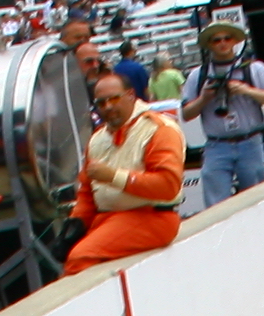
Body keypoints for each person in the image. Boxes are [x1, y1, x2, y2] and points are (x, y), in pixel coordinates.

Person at [65, 72, 183, 275]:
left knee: (79, 259)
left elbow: (168, 185)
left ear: (130, 95)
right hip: (110, 219)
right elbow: (87, 191)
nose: (108, 107)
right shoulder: (97, 138)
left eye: (114, 99)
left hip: (152, 217)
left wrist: (113, 176)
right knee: (70, 255)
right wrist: (76, 223)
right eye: (101, 103)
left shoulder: (158, 129)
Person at [187, 16, 264, 209]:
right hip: (217, 145)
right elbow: (187, 113)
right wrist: (205, 98)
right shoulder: (198, 75)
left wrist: (245, 90)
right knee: (216, 205)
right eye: (216, 40)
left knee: (256, 200)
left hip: (250, 141)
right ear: (209, 44)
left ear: (235, 41)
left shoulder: (253, 68)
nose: (222, 43)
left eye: (227, 38)